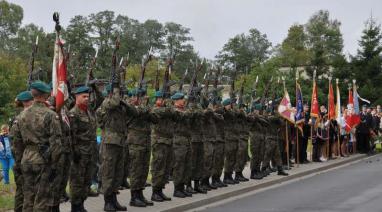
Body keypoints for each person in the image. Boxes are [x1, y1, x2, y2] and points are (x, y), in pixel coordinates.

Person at [11, 81, 62, 212]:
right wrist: (55, 164)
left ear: (32, 95)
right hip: (43, 160)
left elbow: (16, 142)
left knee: (28, 198)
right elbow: (56, 143)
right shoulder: (51, 115)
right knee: (42, 199)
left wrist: (19, 160)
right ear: (46, 95)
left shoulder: (21, 115)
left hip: (26, 159)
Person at [97, 84, 137, 211]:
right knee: (108, 172)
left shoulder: (120, 105)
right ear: (111, 93)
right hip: (110, 143)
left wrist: (125, 103)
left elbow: (134, 112)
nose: (119, 95)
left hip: (121, 142)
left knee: (118, 173)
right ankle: (107, 201)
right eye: (117, 93)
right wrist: (115, 91)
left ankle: (114, 200)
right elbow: (113, 103)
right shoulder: (107, 102)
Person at [68, 85, 102, 211]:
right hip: (79, 154)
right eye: (84, 96)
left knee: (87, 181)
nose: (87, 99)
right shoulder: (73, 114)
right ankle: (75, 206)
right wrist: (75, 152)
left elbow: (100, 99)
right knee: (77, 181)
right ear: (77, 97)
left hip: (90, 153)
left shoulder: (89, 111)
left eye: (88, 96)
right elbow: (71, 135)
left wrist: (95, 88)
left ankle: (81, 204)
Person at [127, 88, 154, 207]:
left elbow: (154, 118)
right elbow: (139, 112)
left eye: (143, 96)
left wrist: (147, 106)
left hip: (145, 142)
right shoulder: (131, 107)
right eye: (140, 96)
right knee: (136, 170)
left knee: (143, 170)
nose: (143, 98)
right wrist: (145, 105)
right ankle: (134, 197)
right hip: (136, 143)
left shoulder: (144, 108)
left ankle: (140, 194)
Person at [9, 90, 33, 212]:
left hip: (23, 159)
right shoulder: (20, 118)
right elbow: (15, 143)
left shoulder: (19, 116)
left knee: (23, 191)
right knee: (24, 192)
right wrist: (19, 161)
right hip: (23, 160)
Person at [150, 90, 174, 202]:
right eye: (161, 99)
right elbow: (168, 111)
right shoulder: (156, 109)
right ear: (157, 99)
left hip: (168, 141)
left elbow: (173, 113)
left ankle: (160, 190)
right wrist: (168, 102)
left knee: (165, 168)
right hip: (159, 142)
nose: (162, 101)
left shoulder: (166, 109)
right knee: (158, 167)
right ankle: (155, 192)